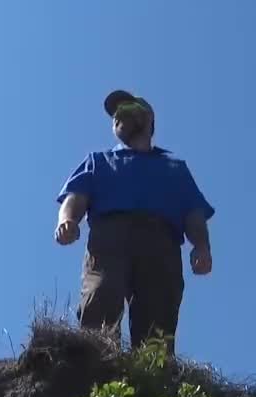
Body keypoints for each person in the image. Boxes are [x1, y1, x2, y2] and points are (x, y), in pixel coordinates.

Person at [55, 90, 215, 356]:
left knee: (158, 317)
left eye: (125, 109)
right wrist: (67, 220)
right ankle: (96, 375)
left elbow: (193, 213)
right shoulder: (99, 161)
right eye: (114, 114)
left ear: (147, 117)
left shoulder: (173, 167)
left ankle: (152, 380)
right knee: (100, 299)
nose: (117, 115)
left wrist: (202, 247)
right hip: (109, 240)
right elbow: (76, 197)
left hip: (160, 242)